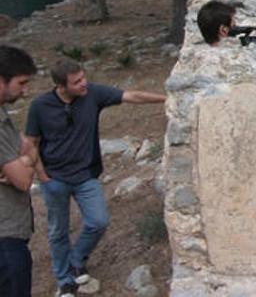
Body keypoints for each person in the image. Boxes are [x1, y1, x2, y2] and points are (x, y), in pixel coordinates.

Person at [24, 60, 166, 297]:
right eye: (77, 81)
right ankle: (65, 280)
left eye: (84, 77)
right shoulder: (40, 106)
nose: (84, 84)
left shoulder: (93, 94)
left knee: (98, 221)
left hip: (86, 176)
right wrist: (42, 176)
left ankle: (77, 258)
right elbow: (31, 143)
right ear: (61, 86)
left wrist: (166, 99)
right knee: (57, 231)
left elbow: (132, 96)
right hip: (54, 179)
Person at [0, 46, 38, 297]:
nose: (25, 91)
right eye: (21, 82)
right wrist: (28, 157)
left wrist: (23, 157)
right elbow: (23, 181)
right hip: (5, 238)